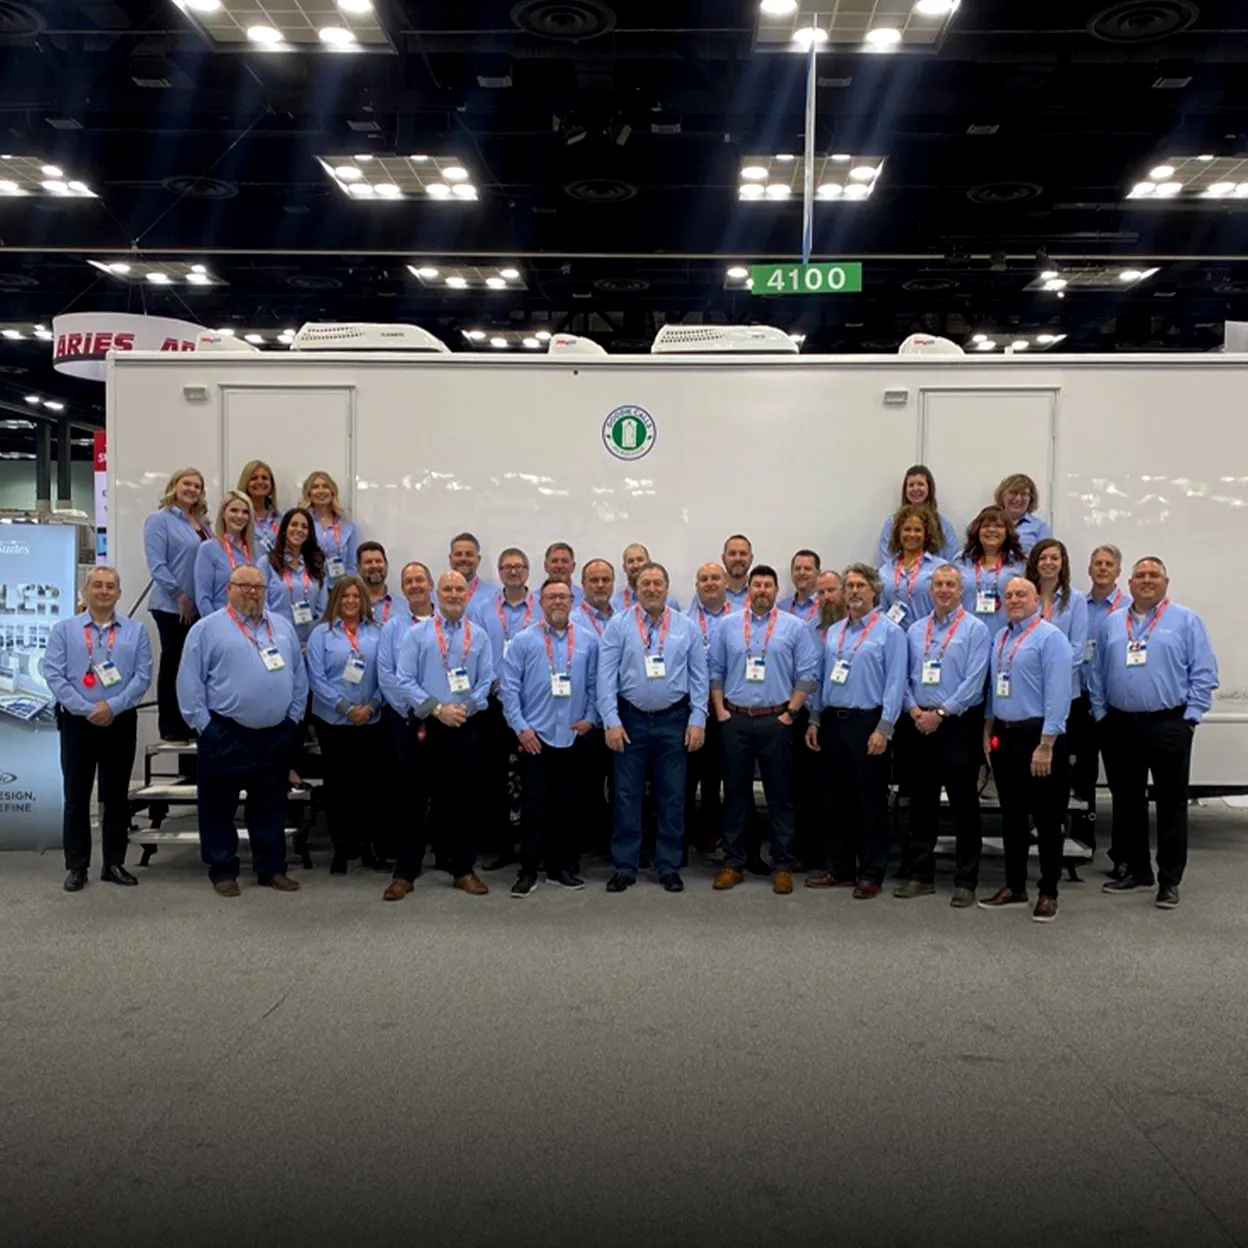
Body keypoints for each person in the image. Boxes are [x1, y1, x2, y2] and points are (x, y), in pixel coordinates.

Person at [1089, 557, 1218, 909]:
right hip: (1120, 724)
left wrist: (1190, 718)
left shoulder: (1186, 620)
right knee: (1127, 802)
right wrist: (1101, 715)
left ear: (1165, 582)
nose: (1146, 580)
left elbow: (1204, 672)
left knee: (1171, 804)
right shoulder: (1113, 623)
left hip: (1168, 724)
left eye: (1153, 575)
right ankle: (1138, 870)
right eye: (1140, 576)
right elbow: (1096, 673)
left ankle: (1169, 880)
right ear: (1129, 584)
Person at [176, 564, 308, 896]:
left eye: (258, 587)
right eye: (244, 586)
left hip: (275, 733)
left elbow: (299, 676)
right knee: (218, 807)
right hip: (225, 732)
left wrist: (292, 719)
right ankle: (223, 870)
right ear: (229, 589)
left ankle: (271, 868)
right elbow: (189, 682)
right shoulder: (207, 629)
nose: (252, 592)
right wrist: (205, 727)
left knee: (271, 806)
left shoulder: (282, 627)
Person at [597, 561, 707, 893]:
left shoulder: (686, 627)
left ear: (667, 587)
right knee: (626, 795)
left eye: (658, 583)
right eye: (645, 584)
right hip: (630, 719)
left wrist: (698, 719)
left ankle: (668, 865)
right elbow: (605, 677)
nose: (652, 589)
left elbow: (699, 676)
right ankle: (625, 865)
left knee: (672, 795)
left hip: (674, 719)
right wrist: (611, 721)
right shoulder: (618, 625)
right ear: (636, 589)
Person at [710, 564, 819, 894]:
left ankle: (782, 865)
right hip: (735, 719)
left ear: (775, 590)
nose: (761, 590)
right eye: (756, 585)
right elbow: (715, 671)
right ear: (748, 590)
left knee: (780, 794)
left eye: (767, 585)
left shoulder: (794, 627)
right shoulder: (727, 625)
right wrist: (720, 712)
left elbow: (808, 674)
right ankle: (733, 862)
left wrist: (790, 713)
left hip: (776, 720)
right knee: (735, 794)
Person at [44, 566, 152, 893]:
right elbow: (54, 674)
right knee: (76, 796)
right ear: (85, 591)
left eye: (110, 586)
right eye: (97, 585)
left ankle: (113, 863)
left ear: (119, 593)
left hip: (120, 721)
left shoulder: (136, 631)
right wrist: (87, 708)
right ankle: (77, 866)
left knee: (116, 796)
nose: (104, 591)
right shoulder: (64, 630)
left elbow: (142, 677)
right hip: (78, 723)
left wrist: (112, 707)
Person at [387, 571, 495, 899]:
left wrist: (465, 709)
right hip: (425, 726)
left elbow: (486, 681)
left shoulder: (479, 636)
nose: (453, 594)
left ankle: (463, 869)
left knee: (462, 801)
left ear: (467, 594)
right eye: (447, 588)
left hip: (464, 724)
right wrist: (438, 709)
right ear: (437, 592)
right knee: (413, 801)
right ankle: (405, 872)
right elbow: (404, 679)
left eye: (459, 589)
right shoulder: (417, 634)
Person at [805, 564, 907, 898]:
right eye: (848, 585)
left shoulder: (890, 632)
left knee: (870, 800)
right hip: (834, 721)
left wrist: (884, 728)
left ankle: (872, 872)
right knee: (835, 798)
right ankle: (840, 868)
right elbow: (822, 678)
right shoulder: (835, 631)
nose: (853, 591)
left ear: (874, 591)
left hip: (869, 722)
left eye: (860, 585)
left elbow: (895, 683)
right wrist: (815, 718)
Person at [895, 564, 990, 907]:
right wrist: (913, 710)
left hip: (958, 725)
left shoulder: (976, 629)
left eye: (951, 584)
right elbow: (902, 677)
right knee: (922, 803)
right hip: (918, 722)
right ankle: (921, 874)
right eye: (939, 584)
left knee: (964, 804)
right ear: (930, 589)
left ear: (961, 590)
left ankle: (966, 879)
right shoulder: (914, 630)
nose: (944, 590)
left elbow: (974, 682)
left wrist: (941, 714)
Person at [501, 579, 600, 897]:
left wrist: (590, 718)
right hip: (536, 738)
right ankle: (528, 871)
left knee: (567, 806)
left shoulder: (588, 641)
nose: (557, 601)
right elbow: (509, 689)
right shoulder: (523, 641)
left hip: (572, 736)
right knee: (533, 807)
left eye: (563, 596)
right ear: (540, 601)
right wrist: (521, 728)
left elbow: (595, 685)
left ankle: (561, 868)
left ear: (572, 601)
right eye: (551, 596)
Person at [980, 577, 1072, 922]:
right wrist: (988, 728)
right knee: (1012, 817)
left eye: (1022, 594)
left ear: (1036, 599)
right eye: (1009, 595)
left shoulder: (1051, 638)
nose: (1015, 599)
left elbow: (1059, 694)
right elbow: (996, 687)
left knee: (1047, 819)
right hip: (1006, 736)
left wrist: (1046, 744)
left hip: (1040, 738)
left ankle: (1048, 892)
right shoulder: (1001, 638)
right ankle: (1015, 886)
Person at [306, 575, 388, 874]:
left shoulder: (378, 632)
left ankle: (368, 847)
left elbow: (387, 675)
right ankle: (342, 847)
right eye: (345, 596)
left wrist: (372, 706)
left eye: (356, 596)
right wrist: (346, 708)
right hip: (334, 722)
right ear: (336, 600)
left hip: (370, 720)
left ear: (363, 599)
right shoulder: (321, 634)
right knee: (339, 786)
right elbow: (316, 678)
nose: (351, 601)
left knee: (370, 787)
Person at [377, 562, 444, 875]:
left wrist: (442, 711)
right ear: (402, 589)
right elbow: (387, 674)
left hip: (446, 721)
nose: (415, 585)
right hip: (408, 719)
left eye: (420, 579)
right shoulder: (393, 628)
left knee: (447, 792)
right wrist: (415, 710)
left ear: (431, 584)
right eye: (408, 581)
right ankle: (408, 864)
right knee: (410, 794)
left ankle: (447, 856)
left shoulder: (450, 624)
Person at [476, 547, 535, 870]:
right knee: (493, 777)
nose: (513, 571)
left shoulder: (542, 608)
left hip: (533, 706)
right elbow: (474, 652)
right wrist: (492, 684)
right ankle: (500, 847)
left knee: (535, 777)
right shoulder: (483, 610)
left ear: (527, 571)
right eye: (507, 567)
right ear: (499, 572)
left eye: (519, 566)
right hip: (494, 704)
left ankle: (533, 846)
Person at [143, 466, 210, 745]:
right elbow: (157, 564)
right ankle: (171, 726)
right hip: (173, 606)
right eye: (187, 484)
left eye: (197, 486)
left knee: (192, 667)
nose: (192, 489)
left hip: (197, 608)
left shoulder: (202, 523)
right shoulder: (159, 520)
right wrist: (178, 594)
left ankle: (190, 722)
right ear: (174, 485)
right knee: (174, 664)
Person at [1079, 544, 1131, 870]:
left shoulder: (1128, 609)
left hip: (1114, 705)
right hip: (1082, 702)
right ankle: (1082, 842)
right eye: (1097, 563)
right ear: (1089, 569)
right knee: (1081, 777)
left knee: (1121, 782)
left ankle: (1122, 854)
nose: (1102, 568)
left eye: (1108, 564)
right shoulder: (1077, 607)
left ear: (1118, 571)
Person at [793, 568, 846, 869]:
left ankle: (839, 855)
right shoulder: (806, 629)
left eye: (831, 590)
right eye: (820, 593)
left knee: (840, 789)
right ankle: (809, 851)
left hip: (842, 716)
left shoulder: (855, 628)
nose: (826, 597)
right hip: (809, 717)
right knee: (809, 789)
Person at [685, 562, 733, 855]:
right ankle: (687, 835)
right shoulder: (683, 620)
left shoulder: (740, 619)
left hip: (727, 711)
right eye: (704, 579)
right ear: (697, 585)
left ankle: (715, 833)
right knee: (688, 777)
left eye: (715, 578)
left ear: (725, 582)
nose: (710, 583)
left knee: (721, 776)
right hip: (692, 711)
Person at [577, 558, 617, 851]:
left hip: (619, 719)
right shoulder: (571, 621)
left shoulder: (626, 621)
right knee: (585, 787)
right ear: (583, 585)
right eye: (594, 580)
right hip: (586, 720)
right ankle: (587, 843)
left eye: (605, 580)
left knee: (621, 787)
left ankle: (614, 843)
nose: (600, 585)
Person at [1026, 536, 1088, 707]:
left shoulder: (1076, 600)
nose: (1048, 563)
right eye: (1042, 558)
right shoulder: (1025, 598)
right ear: (1035, 563)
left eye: (1054, 558)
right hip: (1031, 686)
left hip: (1065, 688)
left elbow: (1077, 649)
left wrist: (1052, 675)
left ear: (1063, 563)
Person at [955, 506, 1027, 637]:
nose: (992, 530)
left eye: (999, 526)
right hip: (965, 636)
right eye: (986, 526)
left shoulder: (1019, 563)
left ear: (1007, 532)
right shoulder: (961, 561)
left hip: (1007, 636)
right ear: (977, 531)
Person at [264, 507, 328, 648]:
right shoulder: (267, 562)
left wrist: (312, 638)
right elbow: (263, 603)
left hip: (308, 642)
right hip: (276, 639)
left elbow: (322, 607)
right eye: (294, 524)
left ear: (309, 533)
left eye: (304, 527)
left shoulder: (317, 564)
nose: (299, 529)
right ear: (284, 529)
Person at [876, 464, 959, 565]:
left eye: (920, 484)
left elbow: (951, 561)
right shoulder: (892, 523)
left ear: (929, 488)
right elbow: (886, 558)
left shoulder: (943, 525)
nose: (915, 489)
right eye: (911, 485)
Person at [877, 505, 943, 632]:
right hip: (894, 637)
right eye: (907, 529)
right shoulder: (885, 571)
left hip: (928, 637)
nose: (912, 534)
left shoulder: (939, 568)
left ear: (926, 534)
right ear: (898, 533)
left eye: (918, 530)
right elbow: (881, 611)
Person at [194, 490, 257, 618]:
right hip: (220, 622)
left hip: (251, 623)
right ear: (223, 514)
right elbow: (203, 598)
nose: (239, 516)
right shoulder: (208, 549)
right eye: (234, 510)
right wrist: (215, 626)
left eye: (245, 512)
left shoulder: (257, 550)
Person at [299, 470, 357, 584]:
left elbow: (352, 565)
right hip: (308, 586)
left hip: (338, 586)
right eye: (315, 487)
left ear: (332, 492)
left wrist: (345, 587)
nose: (321, 491)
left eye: (326, 486)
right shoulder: (301, 523)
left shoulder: (347, 526)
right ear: (308, 493)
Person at [610, 543, 681, 613]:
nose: (636, 565)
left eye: (640, 560)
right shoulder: (615, 603)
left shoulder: (669, 601)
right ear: (624, 568)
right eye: (631, 561)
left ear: (649, 563)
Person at [994, 472, 1052, 554]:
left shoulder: (1041, 528)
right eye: (1013, 492)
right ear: (1003, 495)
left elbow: (1046, 557)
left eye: (1024, 494)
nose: (1018, 498)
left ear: (1031, 499)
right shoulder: (988, 523)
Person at [237, 459, 281, 553]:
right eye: (254, 478)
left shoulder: (279, 519)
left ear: (271, 485)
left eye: (264, 478)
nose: (260, 482)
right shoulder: (237, 517)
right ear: (245, 483)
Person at [450, 531, 497, 612]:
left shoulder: (494, 595)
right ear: (450, 559)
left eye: (469, 554)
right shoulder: (435, 595)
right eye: (458, 554)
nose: (463, 558)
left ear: (478, 559)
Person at [357, 541, 394, 624]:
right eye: (368, 562)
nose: (374, 566)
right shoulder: (348, 604)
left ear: (386, 565)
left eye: (378, 561)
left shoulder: (404, 607)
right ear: (358, 567)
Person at [779, 550, 820, 622]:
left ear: (818, 573)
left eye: (807, 568)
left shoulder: (826, 606)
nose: (801, 573)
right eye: (797, 568)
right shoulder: (781, 607)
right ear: (791, 573)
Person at [543, 541, 583, 607]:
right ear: (546, 566)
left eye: (565, 561)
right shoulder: (533, 599)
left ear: (573, 566)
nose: (559, 566)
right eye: (554, 561)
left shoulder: (585, 598)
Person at [721, 535, 754, 610]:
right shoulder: (708, 592)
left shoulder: (762, 592)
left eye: (743, 554)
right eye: (732, 554)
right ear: (723, 558)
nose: (737, 559)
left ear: (751, 558)